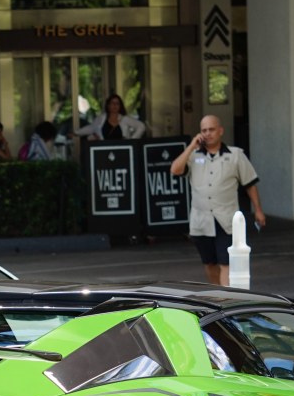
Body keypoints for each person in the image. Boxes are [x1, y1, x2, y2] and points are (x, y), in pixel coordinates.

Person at [170, 115, 265, 286]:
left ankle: (224, 300)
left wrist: (258, 209)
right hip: (201, 221)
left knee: (225, 263)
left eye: (211, 129)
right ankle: (217, 294)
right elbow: (175, 170)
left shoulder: (236, 155)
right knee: (210, 264)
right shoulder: (193, 156)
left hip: (226, 220)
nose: (208, 133)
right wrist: (191, 146)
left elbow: (250, 184)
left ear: (220, 131)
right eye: (204, 130)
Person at [75, 94, 147, 141]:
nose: (115, 105)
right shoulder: (101, 119)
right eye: (112, 103)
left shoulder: (124, 119)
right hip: (106, 150)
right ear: (108, 105)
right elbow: (91, 128)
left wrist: (131, 141)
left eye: (117, 103)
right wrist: (76, 133)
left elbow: (141, 126)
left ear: (120, 106)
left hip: (123, 150)